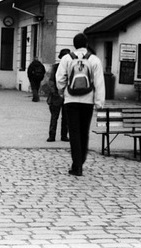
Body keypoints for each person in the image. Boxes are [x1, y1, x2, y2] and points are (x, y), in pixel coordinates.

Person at [56, 33, 105, 177]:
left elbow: (60, 79)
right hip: (87, 101)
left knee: (74, 133)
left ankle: (76, 165)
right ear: (86, 43)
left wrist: (62, 91)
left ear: (74, 44)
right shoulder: (94, 60)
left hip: (71, 100)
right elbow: (99, 83)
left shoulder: (67, 59)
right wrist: (99, 102)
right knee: (84, 132)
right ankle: (81, 160)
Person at [46, 49, 70, 142]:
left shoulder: (70, 67)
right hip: (57, 95)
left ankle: (64, 135)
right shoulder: (56, 67)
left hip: (66, 95)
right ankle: (52, 135)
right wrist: (55, 93)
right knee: (54, 116)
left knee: (65, 117)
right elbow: (51, 81)